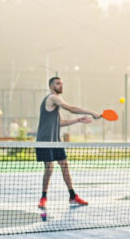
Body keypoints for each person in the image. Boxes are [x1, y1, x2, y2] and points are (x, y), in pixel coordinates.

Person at [36, 76, 101, 209]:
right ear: (51, 86)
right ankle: (43, 197)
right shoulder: (52, 98)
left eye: (62, 84)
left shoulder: (55, 104)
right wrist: (92, 112)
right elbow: (70, 108)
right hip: (45, 141)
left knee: (64, 166)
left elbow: (61, 122)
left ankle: (72, 196)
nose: (61, 86)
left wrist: (78, 120)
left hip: (56, 141)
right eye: (58, 84)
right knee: (49, 168)